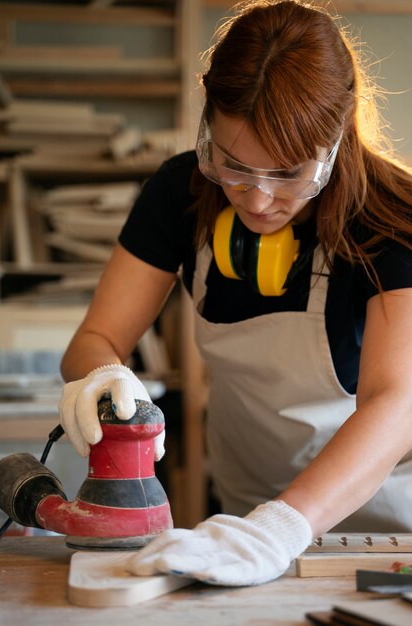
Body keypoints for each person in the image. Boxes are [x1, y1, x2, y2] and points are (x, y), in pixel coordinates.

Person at [59, 0, 412, 587]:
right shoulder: (182, 193)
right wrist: (102, 379)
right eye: (234, 165)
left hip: (382, 526)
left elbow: (395, 404)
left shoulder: (391, 214)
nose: (255, 198)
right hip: (240, 520)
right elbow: (95, 338)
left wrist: (279, 530)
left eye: (289, 175)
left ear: (338, 137)